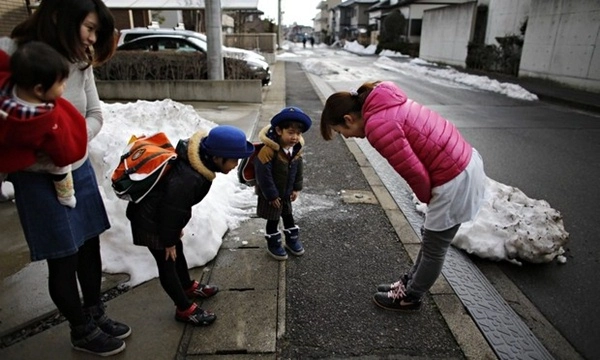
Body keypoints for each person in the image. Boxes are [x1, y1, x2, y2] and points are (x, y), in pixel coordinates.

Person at [0, 0, 130, 356]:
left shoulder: (80, 62)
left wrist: (67, 143)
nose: (91, 39)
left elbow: (95, 113)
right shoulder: (12, 53)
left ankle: (94, 311)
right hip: (35, 179)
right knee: (63, 256)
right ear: (59, 17)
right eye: (89, 28)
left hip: (78, 166)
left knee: (89, 244)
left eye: (96, 33)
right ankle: (80, 329)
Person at [320, 81, 486, 311]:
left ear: (349, 119)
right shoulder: (385, 104)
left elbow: (415, 173)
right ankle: (410, 283)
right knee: (430, 240)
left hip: (453, 179)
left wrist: (429, 200)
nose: (347, 137)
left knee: (434, 248)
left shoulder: (378, 125)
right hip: (462, 163)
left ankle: (410, 296)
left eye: (341, 132)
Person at [126, 125, 254, 326]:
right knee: (167, 262)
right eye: (233, 160)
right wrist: (168, 239)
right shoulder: (188, 178)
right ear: (216, 158)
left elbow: (176, 208)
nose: (235, 165)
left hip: (163, 219)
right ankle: (184, 309)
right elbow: (172, 209)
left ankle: (186, 285)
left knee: (177, 251)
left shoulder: (198, 164)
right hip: (151, 222)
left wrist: (174, 233)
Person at [0, 41, 88, 209]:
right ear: (39, 90)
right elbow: (62, 150)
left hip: (6, 151)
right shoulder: (46, 119)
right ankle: (66, 195)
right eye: (61, 83)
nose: (65, 86)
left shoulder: (5, 88)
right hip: (28, 157)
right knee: (59, 166)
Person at [254, 107, 312, 260]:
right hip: (271, 194)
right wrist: (271, 195)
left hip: (286, 192)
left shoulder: (295, 150)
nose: (295, 137)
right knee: (273, 219)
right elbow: (263, 175)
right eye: (291, 133)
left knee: (288, 216)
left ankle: (292, 240)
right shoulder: (268, 151)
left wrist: (296, 188)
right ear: (279, 131)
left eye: (298, 134)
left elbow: (298, 169)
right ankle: (273, 243)